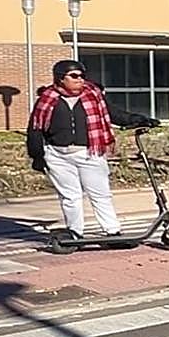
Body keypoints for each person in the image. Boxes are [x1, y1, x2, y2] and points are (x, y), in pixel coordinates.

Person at [26, 59, 160, 239]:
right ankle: (75, 232)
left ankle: (112, 231)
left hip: (89, 153)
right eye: (74, 76)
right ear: (60, 78)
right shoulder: (47, 99)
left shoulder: (93, 95)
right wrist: (37, 155)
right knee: (70, 197)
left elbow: (114, 114)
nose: (80, 79)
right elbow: (36, 128)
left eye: (82, 76)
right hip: (57, 155)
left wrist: (139, 119)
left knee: (100, 194)